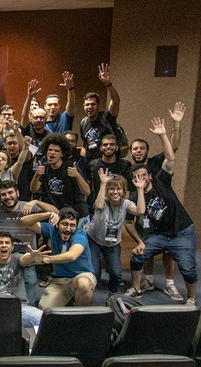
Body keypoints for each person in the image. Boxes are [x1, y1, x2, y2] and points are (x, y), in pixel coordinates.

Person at [125, 117, 197, 305]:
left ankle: (191, 298)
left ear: (149, 175)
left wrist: (164, 133)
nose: (140, 179)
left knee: (188, 269)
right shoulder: (134, 195)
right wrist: (140, 241)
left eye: (143, 176)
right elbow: (129, 221)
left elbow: (171, 157)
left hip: (182, 231)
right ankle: (137, 287)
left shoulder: (161, 180)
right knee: (138, 255)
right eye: (136, 177)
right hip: (159, 234)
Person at [0, 229, 48, 327]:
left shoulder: (17, 258)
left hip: (19, 308)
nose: (4, 245)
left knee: (43, 318)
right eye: (0, 243)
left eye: (7, 243)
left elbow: (25, 260)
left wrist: (32, 257)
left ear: (12, 247)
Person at [21, 207, 95, 309]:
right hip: (59, 280)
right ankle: (69, 299)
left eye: (72, 225)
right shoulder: (52, 229)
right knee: (46, 310)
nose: (68, 229)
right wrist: (47, 214)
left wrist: (46, 259)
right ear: (56, 224)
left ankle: (79, 316)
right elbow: (24, 221)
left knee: (84, 284)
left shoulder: (80, 235)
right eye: (64, 224)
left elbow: (72, 256)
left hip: (81, 275)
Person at [87, 171, 145, 294]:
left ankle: (112, 295)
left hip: (112, 244)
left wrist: (140, 190)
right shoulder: (103, 201)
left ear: (123, 191)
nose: (115, 192)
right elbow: (99, 205)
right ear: (107, 191)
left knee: (116, 274)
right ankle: (90, 294)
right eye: (111, 189)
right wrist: (103, 184)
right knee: (94, 273)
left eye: (118, 189)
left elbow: (140, 211)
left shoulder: (126, 204)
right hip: (94, 240)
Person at [31, 133, 90, 222]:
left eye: (56, 151)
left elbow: (87, 192)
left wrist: (77, 176)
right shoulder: (45, 167)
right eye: (50, 150)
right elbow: (33, 190)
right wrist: (36, 175)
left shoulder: (70, 167)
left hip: (77, 214)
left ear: (62, 154)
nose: (52, 153)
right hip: (56, 214)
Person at [80, 63, 121, 162]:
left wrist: (108, 84)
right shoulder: (84, 122)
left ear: (98, 106)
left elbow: (116, 101)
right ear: (84, 106)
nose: (89, 107)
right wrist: (82, 163)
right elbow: (84, 145)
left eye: (93, 104)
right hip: (91, 165)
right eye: (87, 105)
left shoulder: (106, 117)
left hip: (109, 162)